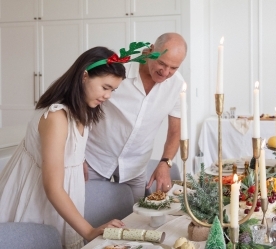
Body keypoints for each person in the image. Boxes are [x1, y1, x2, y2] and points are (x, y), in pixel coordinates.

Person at [0, 46, 130, 249]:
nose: (108, 96)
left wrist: (78, 160)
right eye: (105, 87)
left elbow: (67, 146)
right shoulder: (56, 117)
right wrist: (89, 231)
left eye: (112, 90)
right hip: (39, 200)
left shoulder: (82, 109)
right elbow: (52, 187)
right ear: (84, 76)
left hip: (63, 197)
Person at [84, 33, 187, 201]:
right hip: (95, 159)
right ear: (151, 50)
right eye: (162, 63)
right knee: (85, 215)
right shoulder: (119, 69)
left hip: (135, 166)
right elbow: (84, 108)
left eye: (174, 68)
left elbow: (175, 131)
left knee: (136, 220)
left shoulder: (177, 86)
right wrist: (77, 156)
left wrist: (165, 162)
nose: (166, 72)